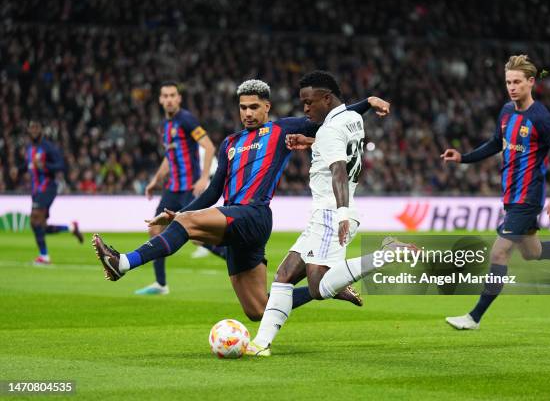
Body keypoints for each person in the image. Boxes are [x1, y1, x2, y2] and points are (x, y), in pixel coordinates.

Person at [93, 79, 387, 319]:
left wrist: (368, 104)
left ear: (267, 107)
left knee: (188, 225)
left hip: (254, 214)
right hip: (234, 219)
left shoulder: (283, 128)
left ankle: (124, 263)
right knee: (259, 309)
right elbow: (212, 191)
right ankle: (326, 288)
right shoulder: (230, 143)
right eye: (243, 107)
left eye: (254, 107)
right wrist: (178, 213)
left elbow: (333, 117)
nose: (247, 113)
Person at [246, 71, 417, 356]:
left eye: (309, 102)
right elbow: (344, 151)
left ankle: (389, 254)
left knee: (318, 288)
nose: (305, 109)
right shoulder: (352, 119)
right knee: (285, 274)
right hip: (325, 214)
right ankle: (261, 344)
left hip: (331, 214)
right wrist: (313, 144)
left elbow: (338, 169)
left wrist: (341, 215)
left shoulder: (328, 130)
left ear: (326, 99)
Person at [440, 55, 550, 330]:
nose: (512, 87)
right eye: (508, 82)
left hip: (528, 198)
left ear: (531, 83)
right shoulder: (506, 112)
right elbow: (495, 143)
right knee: (532, 252)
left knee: (499, 253)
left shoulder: (541, 117)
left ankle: (474, 317)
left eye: (517, 82)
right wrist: (463, 158)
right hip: (511, 196)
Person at [135, 81, 221, 295]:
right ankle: (161, 284)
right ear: (160, 100)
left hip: (187, 189)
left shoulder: (186, 119)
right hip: (171, 189)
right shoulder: (165, 125)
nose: (169, 99)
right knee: (155, 230)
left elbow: (209, 147)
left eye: (173, 95)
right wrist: (156, 180)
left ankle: (238, 260)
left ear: (179, 98)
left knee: (197, 237)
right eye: (165, 95)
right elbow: (169, 157)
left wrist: (203, 178)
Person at [24, 119, 83, 265]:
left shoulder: (48, 147)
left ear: (41, 130)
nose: (34, 130)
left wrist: (45, 165)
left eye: (37, 127)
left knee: (35, 218)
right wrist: (17, 170)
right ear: (28, 130)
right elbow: (28, 166)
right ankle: (70, 228)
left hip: (48, 187)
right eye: (32, 128)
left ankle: (44, 257)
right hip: (36, 190)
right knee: (38, 225)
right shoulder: (29, 148)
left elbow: (61, 166)